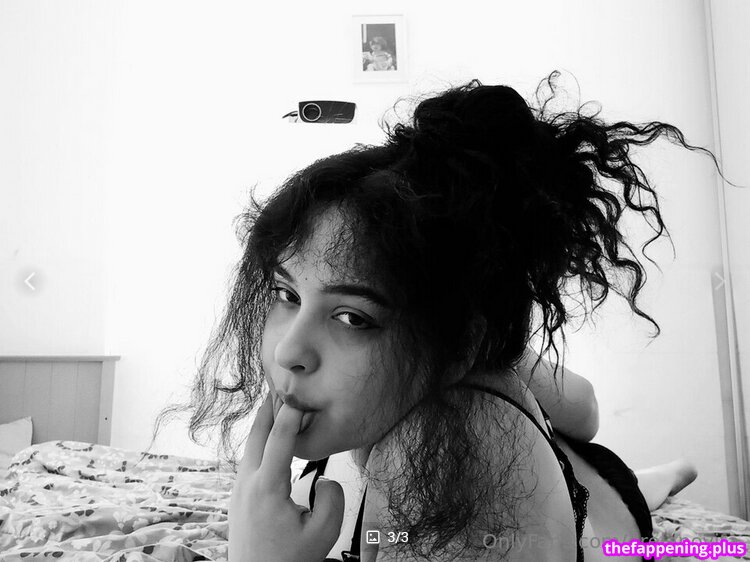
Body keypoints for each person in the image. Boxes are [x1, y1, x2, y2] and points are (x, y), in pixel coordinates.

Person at [175, 72, 718, 561]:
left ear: (456, 344)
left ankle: (659, 479)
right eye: (286, 293)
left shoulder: (451, 447)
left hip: (606, 516)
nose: (287, 350)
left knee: (631, 494)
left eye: (353, 318)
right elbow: (585, 412)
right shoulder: (453, 364)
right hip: (577, 465)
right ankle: (656, 477)